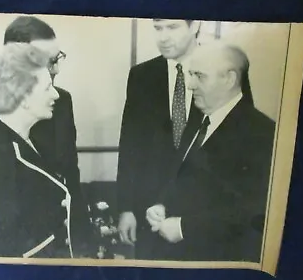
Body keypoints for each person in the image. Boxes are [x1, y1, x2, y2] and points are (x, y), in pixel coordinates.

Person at [146, 42, 275, 262]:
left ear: (229, 79)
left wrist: (183, 228)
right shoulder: (199, 121)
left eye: (199, 76)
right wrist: (162, 204)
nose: (189, 84)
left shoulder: (262, 132)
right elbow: (184, 179)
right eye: (190, 74)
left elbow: (252, 211)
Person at [0, 16, 92, 254]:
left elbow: (69, 170)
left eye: (58, 58)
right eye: (49, 62)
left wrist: (81, 235)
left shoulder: (61, 101)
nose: (57, 69)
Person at [116, 19, 204, 259]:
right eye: (158, 28)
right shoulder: (141, 76)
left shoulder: (224, 69)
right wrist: (125, 208)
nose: (163, 37)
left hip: (201, 216)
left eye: (172, 27)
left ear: (195, 25)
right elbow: (129, 146)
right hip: (149, 215)